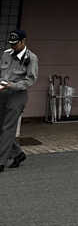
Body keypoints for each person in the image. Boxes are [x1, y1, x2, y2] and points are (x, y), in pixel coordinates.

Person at [0, 29, 38, 172]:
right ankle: (18, 154)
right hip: (2, 93)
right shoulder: (6, 54)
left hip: (17, 95)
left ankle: (1, 162)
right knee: (1, 127)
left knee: (7, 128)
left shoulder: (31, 58)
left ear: (23, 41)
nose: (13, 46)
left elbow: (30, 80)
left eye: (15, 44)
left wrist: (13, 85)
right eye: (11, 44)